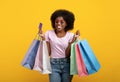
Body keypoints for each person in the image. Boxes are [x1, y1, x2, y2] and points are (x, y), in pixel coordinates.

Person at [39, 9, 80, 82]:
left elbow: (67, 54)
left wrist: (73, 41)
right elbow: (48, 53)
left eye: (62, 22)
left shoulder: (70, 35)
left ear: (67, 23)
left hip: (67, 64)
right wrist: (43, 39)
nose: (58, 24)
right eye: (56, 22)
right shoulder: (49, 33)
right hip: (53, 64)